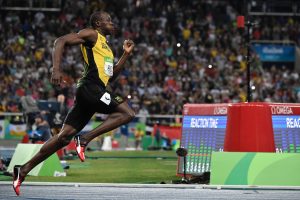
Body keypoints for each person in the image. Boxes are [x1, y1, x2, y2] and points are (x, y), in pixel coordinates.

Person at [12, 11, 135, 196]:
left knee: (63, 137)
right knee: (128, 114)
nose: (112, 23)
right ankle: (84, 139)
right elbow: (60, 41)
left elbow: (110, 78)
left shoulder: (107, 49)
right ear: (98, 23)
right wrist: (56, 69)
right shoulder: (91, 34)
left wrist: (125, 55)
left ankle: (22, 170)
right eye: (108, 21)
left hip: (94, 92)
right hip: (91, 89)